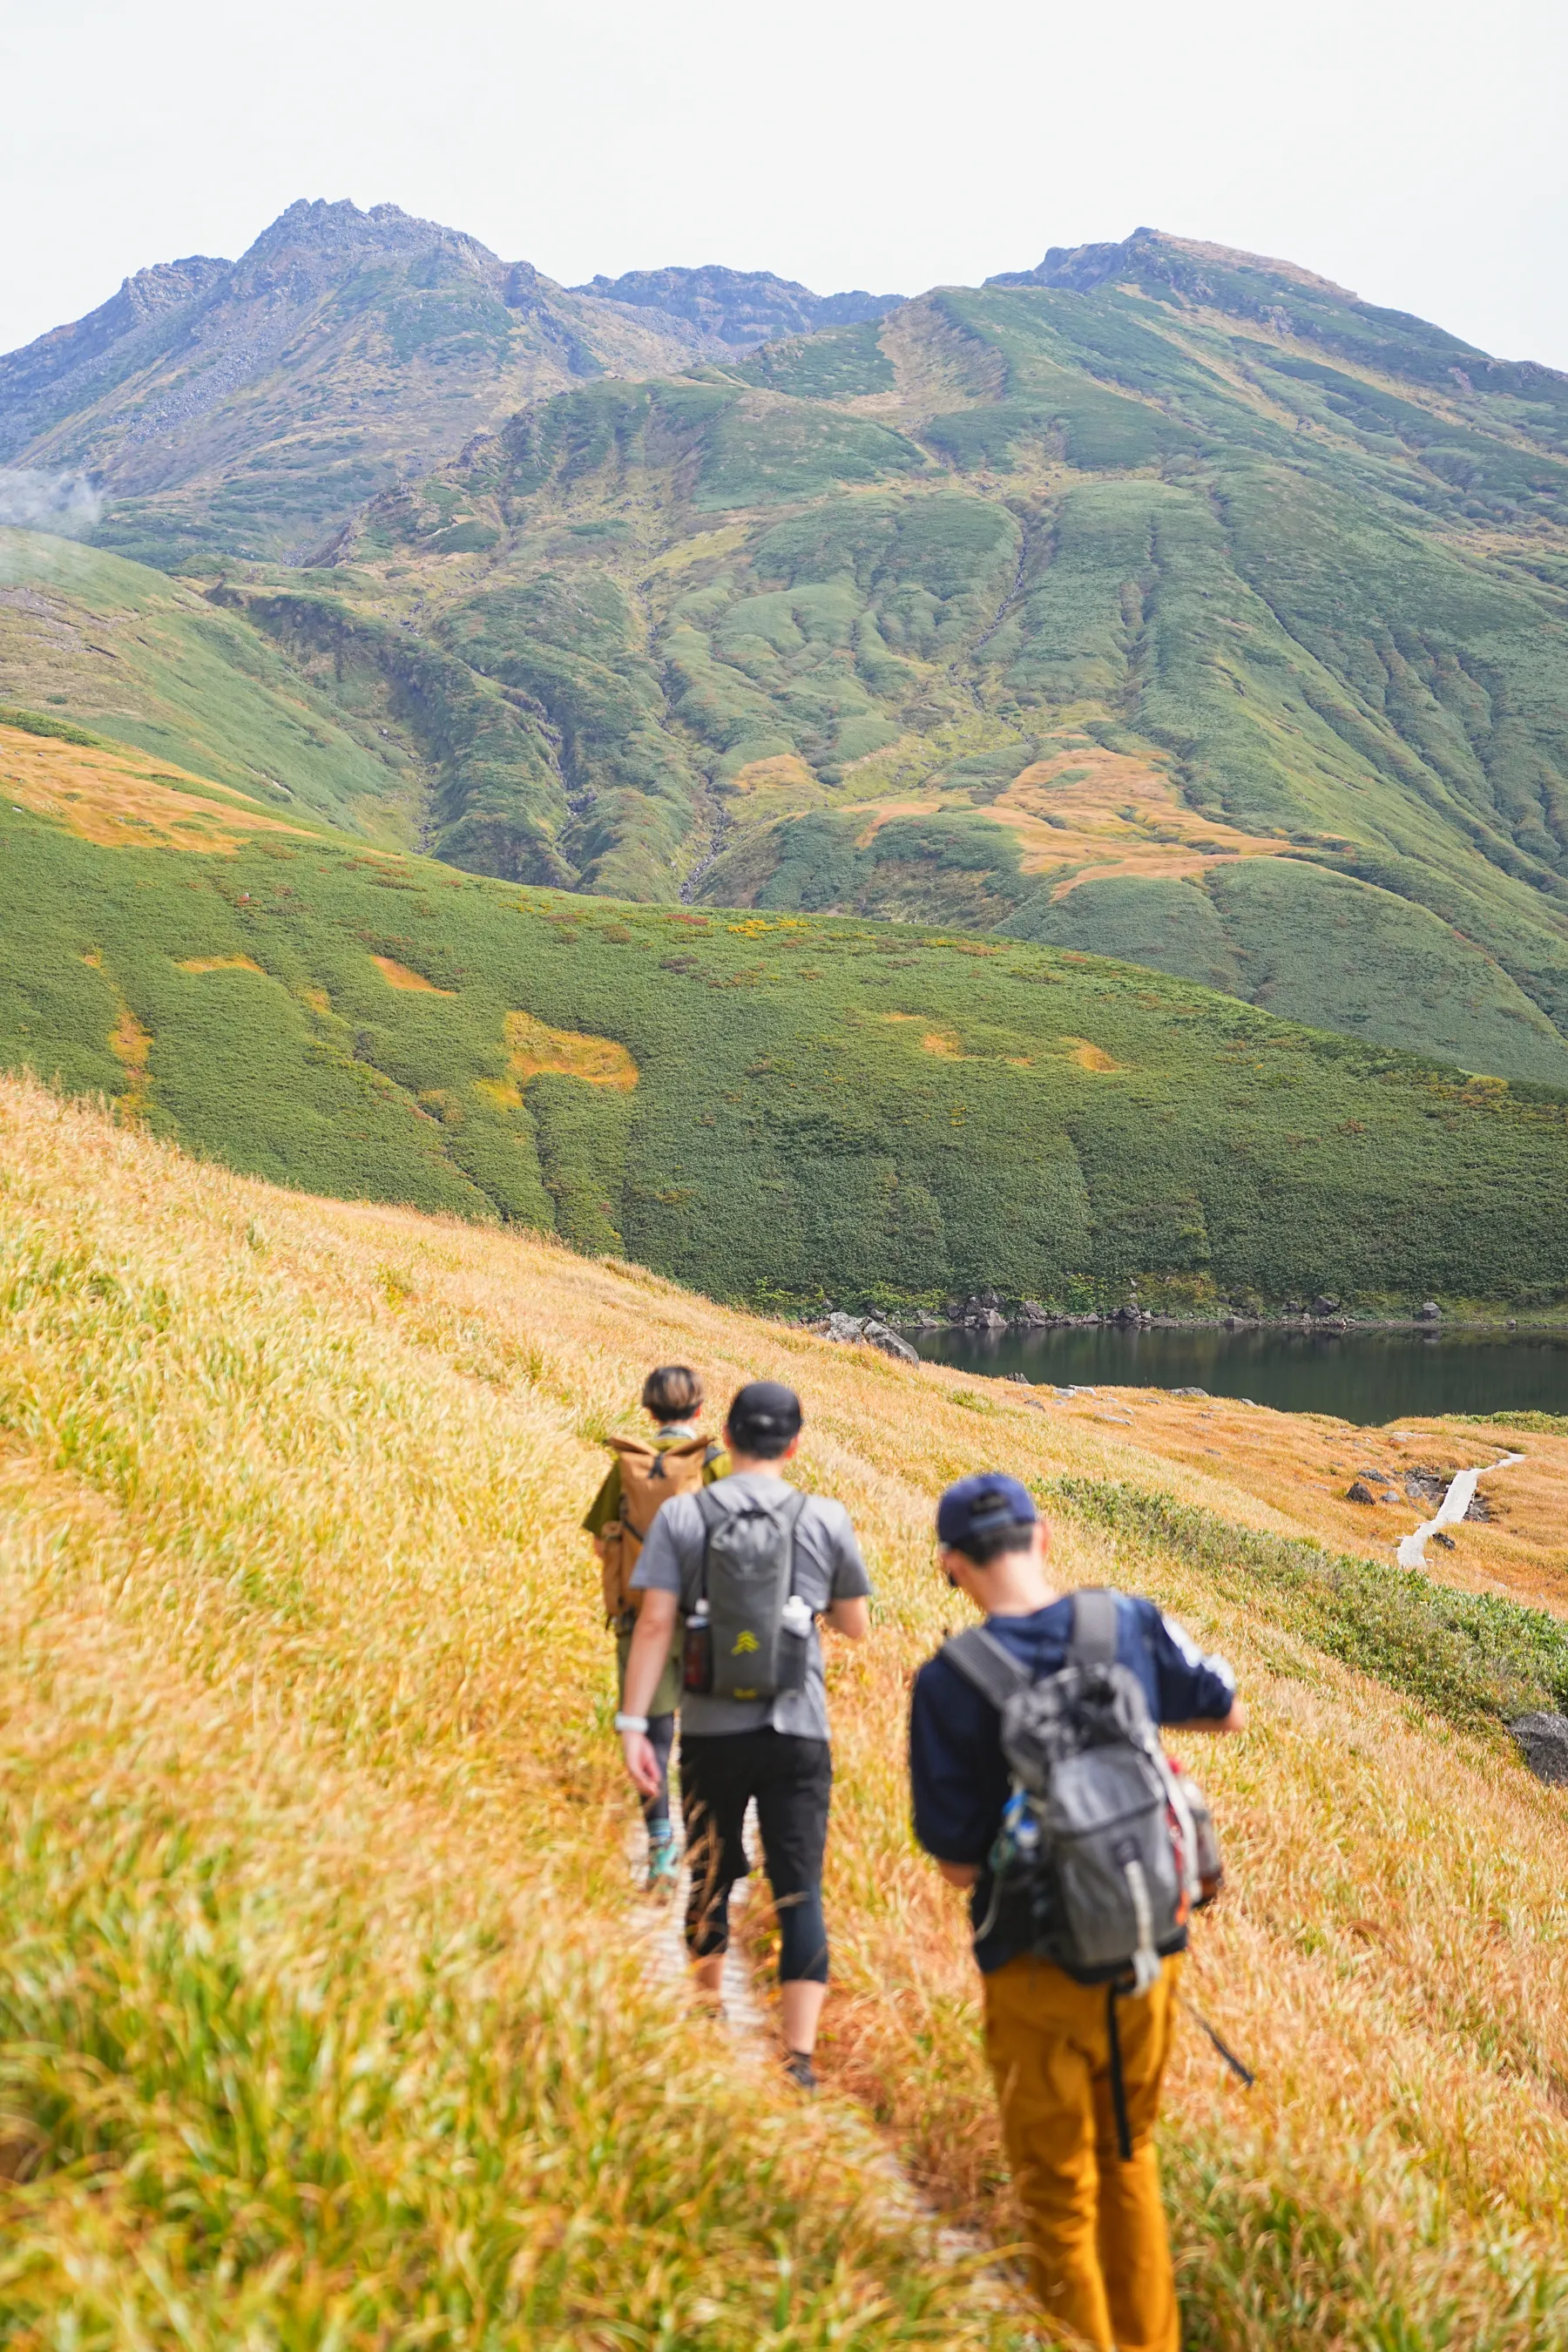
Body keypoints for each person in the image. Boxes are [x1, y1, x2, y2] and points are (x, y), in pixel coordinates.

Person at [909, 1473, 1245, 2352]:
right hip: (1146, 1949)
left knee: (1058, 2199)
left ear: (952, 1567)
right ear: (1042, 1535)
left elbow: (954, 1861)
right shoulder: (1124, 1622)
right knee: (1128, 2161)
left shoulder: (948, 1683)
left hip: (1031, 1968)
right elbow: (1227, 1707)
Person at [618, 1380, 870, 2090]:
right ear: (795, 1444)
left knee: (711, 1875)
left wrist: (635, 1722)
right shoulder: (825, 1517)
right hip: (799, 1729)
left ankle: (706, 2020)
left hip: (707, 1727)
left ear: (724, 1437)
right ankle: (798, 2060)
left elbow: (657, 1625)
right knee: (801, 1891)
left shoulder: (684, 1517)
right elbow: (854, 1625)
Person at [583, 1365, 728, 1890]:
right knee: (703, 1732)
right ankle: (705, 1842)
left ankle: (661, 1846)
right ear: (699, 1409)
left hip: (638, 1616)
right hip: (705, 1616)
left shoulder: (629, 1463)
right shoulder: (714, 1464)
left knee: (653, 1731)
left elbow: (603, 1541)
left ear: (649, 1409)